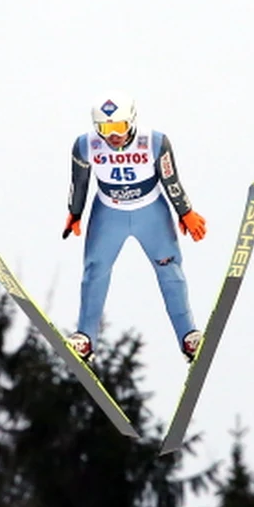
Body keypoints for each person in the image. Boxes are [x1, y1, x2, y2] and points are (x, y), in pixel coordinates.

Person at [62, 90, 208, 364]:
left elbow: (171, 179)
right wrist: (75, 212)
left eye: (119, 126)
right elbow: (79, 182)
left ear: (132, 120)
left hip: (150, 211)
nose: (113, 135)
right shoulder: (86, 145)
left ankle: (189, 336)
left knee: (169, 269)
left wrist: (185, 211)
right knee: (95, 270)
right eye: (105, 128)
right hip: (109, 212)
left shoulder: (154, 141)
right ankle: (85, 338)